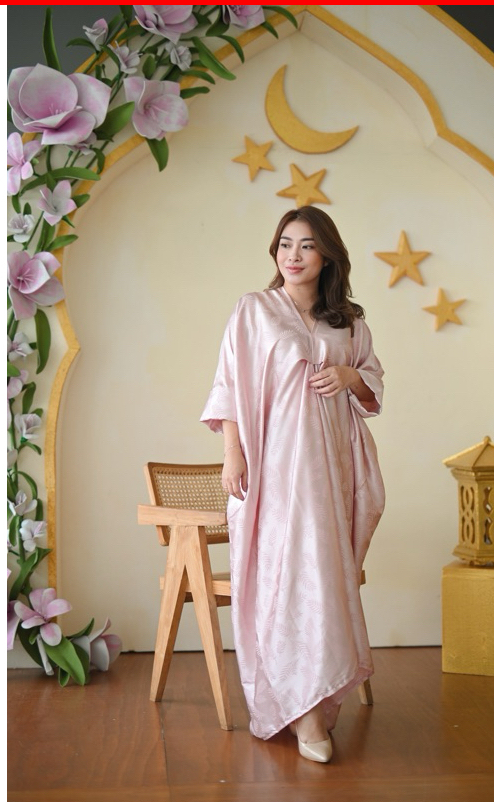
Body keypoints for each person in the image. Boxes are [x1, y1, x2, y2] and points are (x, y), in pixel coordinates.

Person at [200, 206, 385, 763]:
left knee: (322, 580)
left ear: (326, 254)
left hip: (332, 470)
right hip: (275, 472)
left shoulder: (347, 322)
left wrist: (351, 376)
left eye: (306, 245)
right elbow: (229, 384)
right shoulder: (254, 311)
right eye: (285, 244)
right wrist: (233, 453)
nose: (293, 255)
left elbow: (372, 387)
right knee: (286, 580)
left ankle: (318, 699)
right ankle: (304, 715)